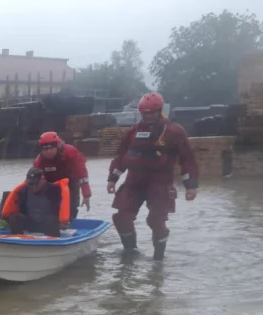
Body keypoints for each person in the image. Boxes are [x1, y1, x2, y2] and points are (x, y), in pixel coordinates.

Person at [107, 92, 198, 260]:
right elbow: (121, 156)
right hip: (134, 181)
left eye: (151, 113)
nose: (147, 117)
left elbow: (187, 159)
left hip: (159, 183)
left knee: (155, 221)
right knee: (121, 218)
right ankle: (130, 253)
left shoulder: (173, 131)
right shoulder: (133, 131)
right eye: (144, 113)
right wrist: (112, 179)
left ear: (159, 111)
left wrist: (191, 186)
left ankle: (158, 260)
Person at [34, 131, 91, 219]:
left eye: (51, 148)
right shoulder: (38, 162)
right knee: (49, 210)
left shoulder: (71, 153)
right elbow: (35, 182)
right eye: (45, 149)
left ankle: (69, 220)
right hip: (51, 185)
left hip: (70, 184)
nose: (48, 151)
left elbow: (82, 173)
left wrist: (86, 195)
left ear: (57, 146)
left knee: (70, 208)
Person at [0, 167, 71, 237]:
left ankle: (53, 241)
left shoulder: (54, 189)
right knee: (15, 217)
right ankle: (17, 239)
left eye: (36, 184)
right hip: (31, 222)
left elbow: (65, 208)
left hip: (48, 224)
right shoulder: (24, 190)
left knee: (51, 219)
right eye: (30, 184)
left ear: (42, 179)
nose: (33, 187)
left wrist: (64, 222)